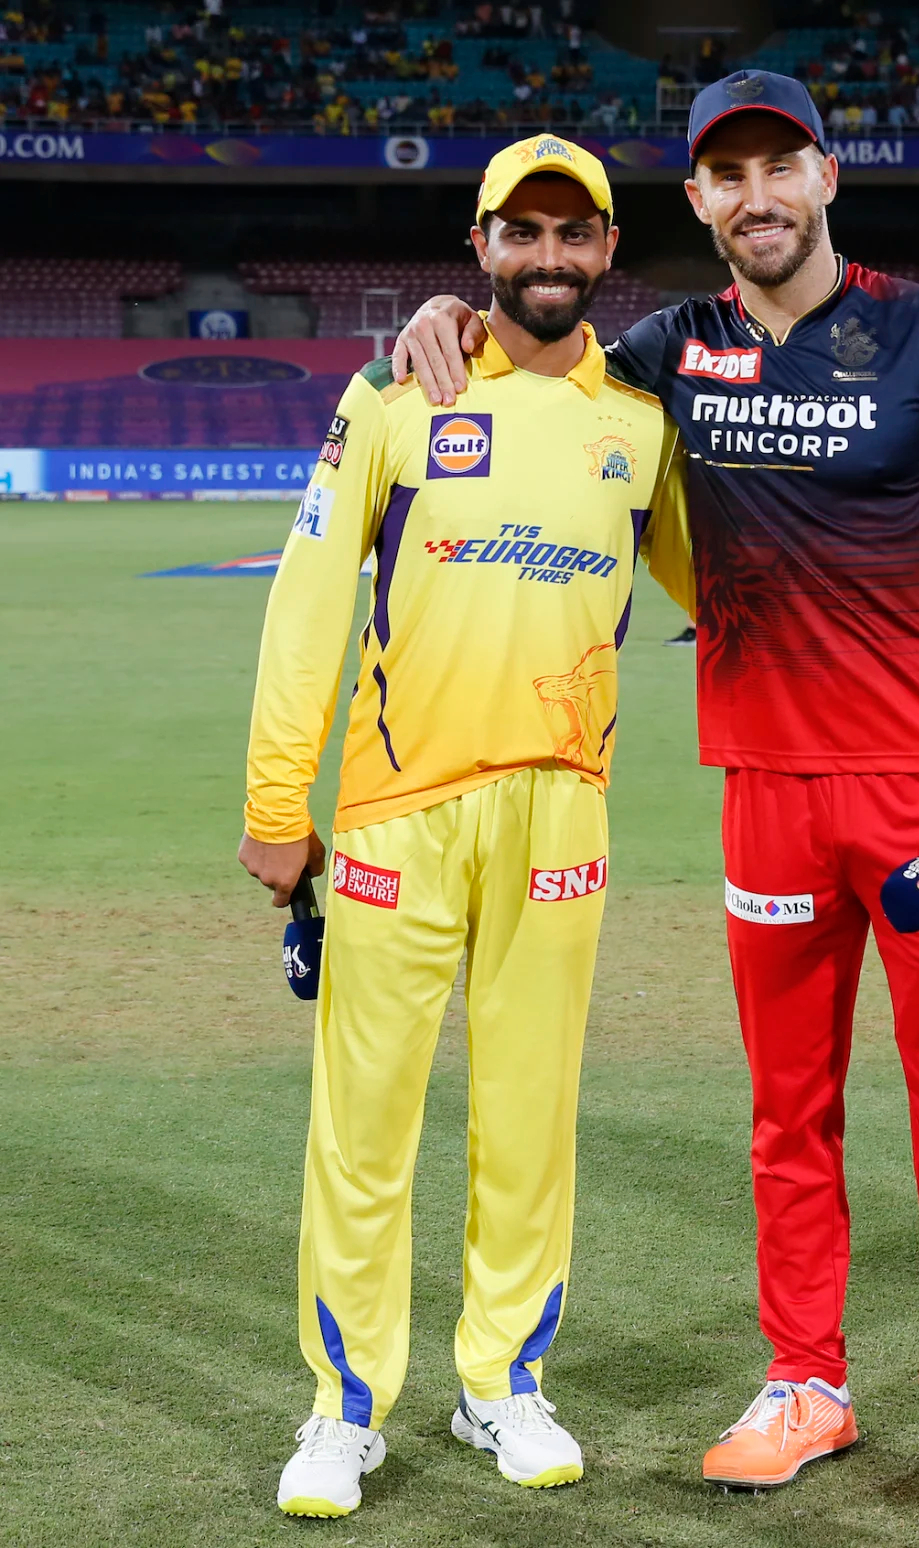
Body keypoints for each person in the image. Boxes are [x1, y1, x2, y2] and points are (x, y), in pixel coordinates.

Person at [393, 69, 919, 1530]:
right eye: (726, 176)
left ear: (826, 177)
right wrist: (438, 317)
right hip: (765, 791)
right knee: (787, 1111)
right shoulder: (665, 352)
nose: (756, 196)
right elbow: (528, 353)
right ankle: (805, 1379)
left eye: (780, 167)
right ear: (696, 201)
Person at [238, 134, 689, 1519]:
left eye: (576, 234)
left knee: (530, 1116)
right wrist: (276, 805)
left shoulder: (641, 421)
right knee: (363, 1125)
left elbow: (739, 595)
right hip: (395, 813)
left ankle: (502, 1382)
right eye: (522, 233)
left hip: (565, 813)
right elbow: (311, 598)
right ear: (480, 245)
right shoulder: (393, 390)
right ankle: (343, 1408)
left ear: (609, 251)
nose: (548, 257)